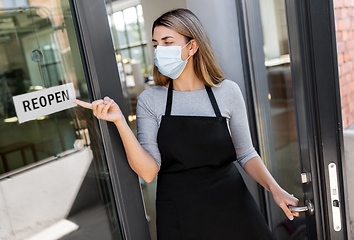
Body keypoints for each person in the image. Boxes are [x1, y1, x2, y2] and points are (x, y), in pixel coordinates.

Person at [73, 8, 299, 240]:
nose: (159, 50)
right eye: (156, 44)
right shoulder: (151, 100)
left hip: (232, 204)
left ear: (192, 47)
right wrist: (120, 122)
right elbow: (149, 172)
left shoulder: (227, 92)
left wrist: (276, 190)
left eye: (168, 42)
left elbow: (246, 153)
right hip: (180, 213)